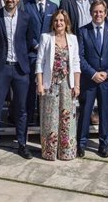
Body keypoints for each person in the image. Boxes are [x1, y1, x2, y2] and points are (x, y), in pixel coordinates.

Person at [0, 0, 35, 160]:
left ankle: (22, 144)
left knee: (21, 109)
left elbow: (29, 42)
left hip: (20, 69)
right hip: (1, 68)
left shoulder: (26, 18)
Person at [77, 0, 108, 158]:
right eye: (95, 12)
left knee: (104, 113)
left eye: (101, 12)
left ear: (106, 13)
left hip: (106, 80)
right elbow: (80, 56)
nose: (98, 14)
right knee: (85, 112)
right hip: (89, 79)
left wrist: (107, 73)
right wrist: (93, 73)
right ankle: (81, 144)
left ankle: (104, 145)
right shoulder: (83, 31)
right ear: (91, 13)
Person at [35, 10, 81, 161]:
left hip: (67, 85)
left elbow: (76, 63)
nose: (59, 23)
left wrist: (77, 85)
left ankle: (66, 151)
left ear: (66, 23)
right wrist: (40, 84)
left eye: (62, 20)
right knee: (50, 118)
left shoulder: (73, 39)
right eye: (56, 21)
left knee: (67, 117)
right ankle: (49, 152)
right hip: (51, 84)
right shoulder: (46, 38)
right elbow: (40, 62)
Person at [24, 0, 58, 126]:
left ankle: (45, 120)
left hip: (48, 54)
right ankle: (31, 119)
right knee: (32, 88)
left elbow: (55, 30)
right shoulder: (26, 6)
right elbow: (24, 29)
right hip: (32, 53)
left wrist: (46, 47)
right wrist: (36, 45)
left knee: (47, 87)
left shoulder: (53, 7)